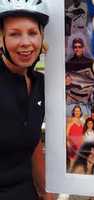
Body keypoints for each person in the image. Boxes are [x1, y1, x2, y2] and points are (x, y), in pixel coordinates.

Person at [0, 0, 55, 199]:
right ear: (2, 38)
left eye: (32, 33)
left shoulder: (40, 83)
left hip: (26, 192)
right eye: (15, 34)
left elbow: (32, 144)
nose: (26, 42)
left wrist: (46, 193)